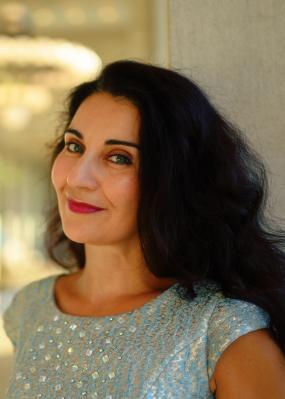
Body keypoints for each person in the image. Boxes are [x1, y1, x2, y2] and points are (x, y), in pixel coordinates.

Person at [3, 59, 285, 398]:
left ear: (173, 181)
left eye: (119, 157)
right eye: (74, 146)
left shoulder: (222, 328)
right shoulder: (30, 309)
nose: (77, 178)